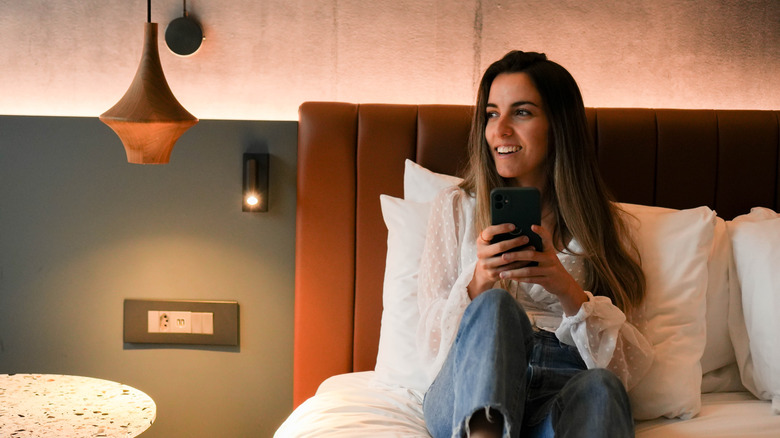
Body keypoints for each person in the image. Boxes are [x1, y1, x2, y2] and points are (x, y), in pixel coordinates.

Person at [416, 50, 655, 438]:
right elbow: (428, 340)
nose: (500, 130)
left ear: (558, 126)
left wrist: (565, 288)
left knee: (603, 386)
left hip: (562, 393)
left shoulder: (607, 225)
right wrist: (479, 279)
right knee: (496, 305)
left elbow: (629, 368)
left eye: (521, 112)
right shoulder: (456, 206)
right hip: (469, 391)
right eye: (492, 113)